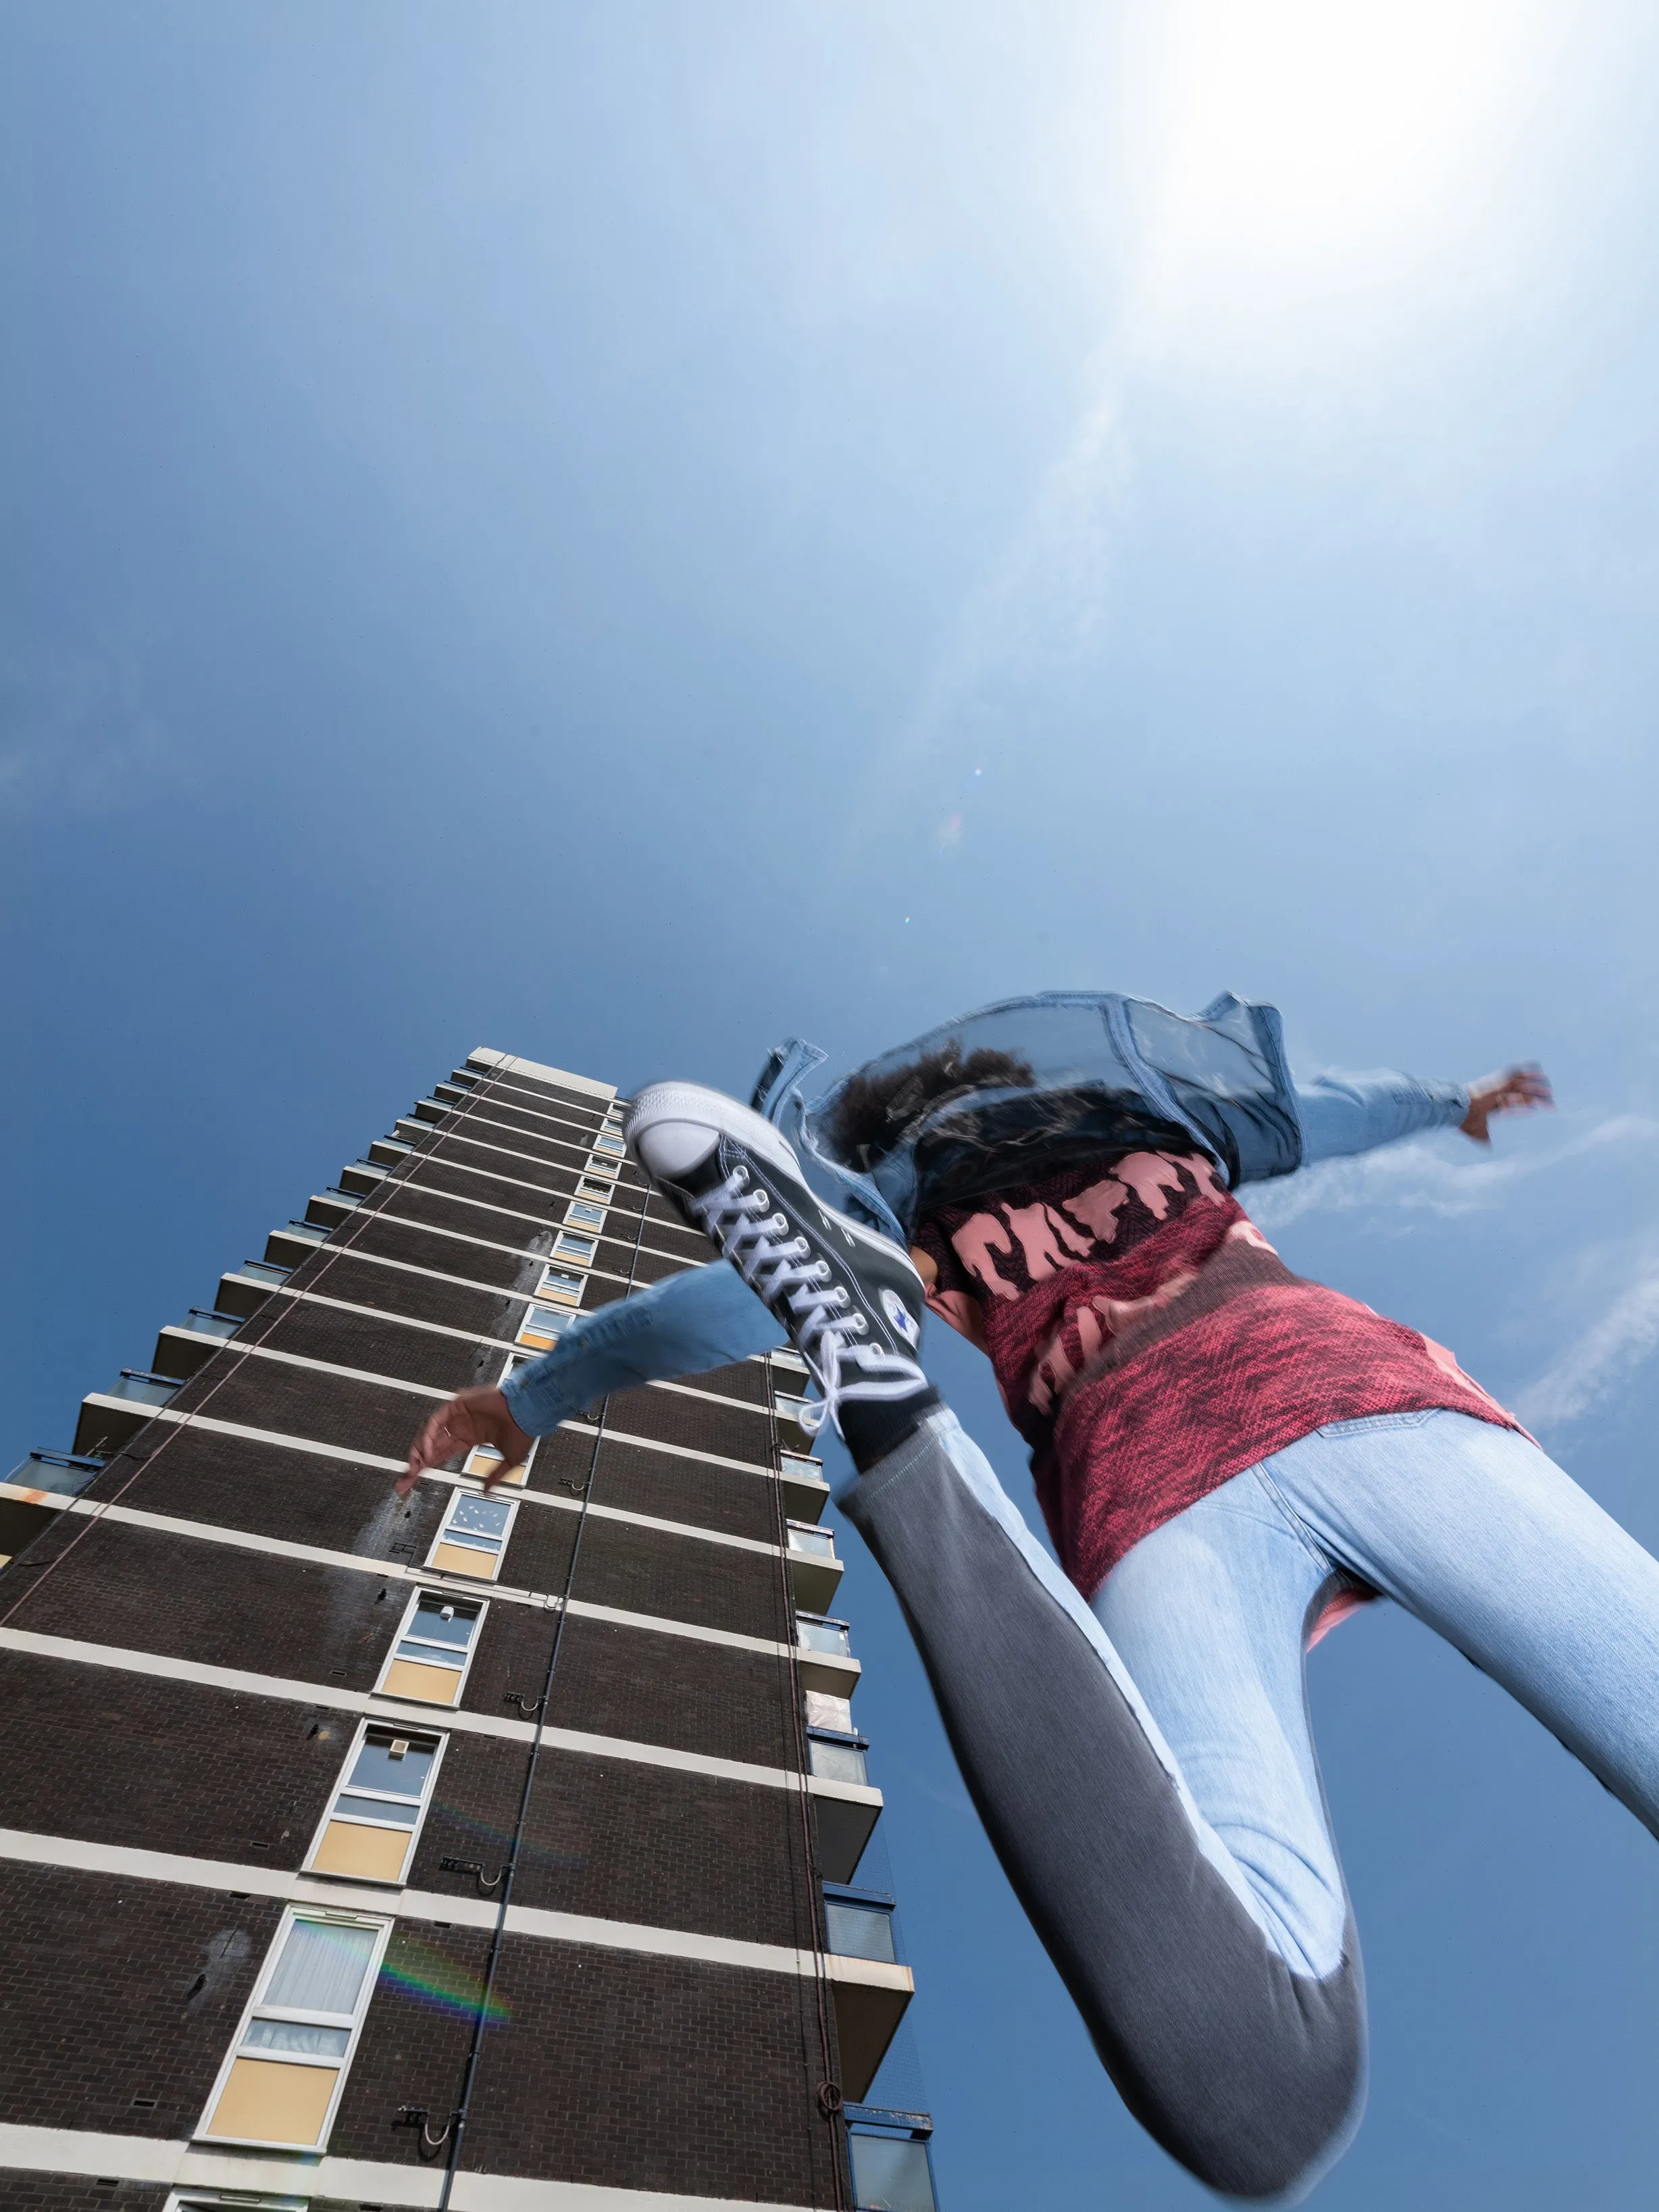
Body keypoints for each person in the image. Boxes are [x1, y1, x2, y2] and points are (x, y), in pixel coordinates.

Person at [404, 993, 1657, 2203]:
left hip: (1211, 1481)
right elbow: (1318, 1112)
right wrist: (1452, 1101)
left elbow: (730, 1297)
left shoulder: (1013, 1185)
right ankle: (888, 1408)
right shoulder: (1102, 1156)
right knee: (1253, 2099)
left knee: (1271, 2110)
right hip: (1284, 1451)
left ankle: (888, 1414)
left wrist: (530, 1397)